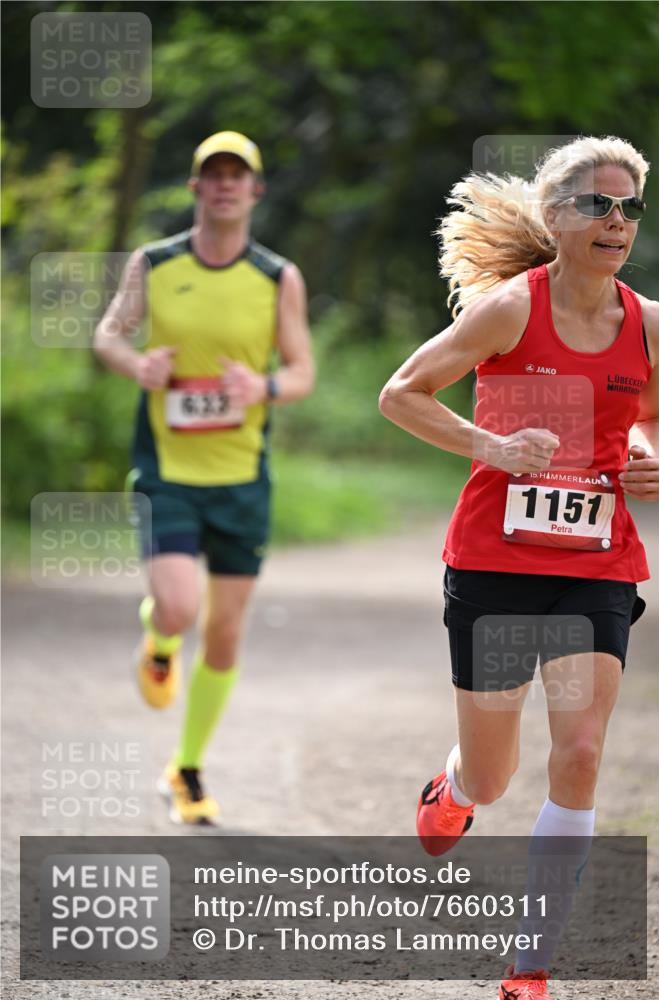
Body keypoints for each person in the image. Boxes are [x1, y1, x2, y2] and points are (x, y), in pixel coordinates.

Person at [379, 136, 659, 999]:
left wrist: (649, 453)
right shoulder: (508, 310)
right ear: (555, 215)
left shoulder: (651, 325)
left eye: (628, 207)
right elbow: (401, 394)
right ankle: (455, 788)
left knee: (578, 751)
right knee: (494, 774)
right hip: (494, 564)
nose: (616, 222)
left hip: (595, 564)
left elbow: (654, 414)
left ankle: (529, 962)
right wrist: (492, 446)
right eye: (596, 205)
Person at [95, 131, 315, 824]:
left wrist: (262, 387)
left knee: (223, 635)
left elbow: (302, 372)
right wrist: (138, 366)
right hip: (168, 471)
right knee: (178, 608)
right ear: (195, 187)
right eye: (212, 174)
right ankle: (159, 638)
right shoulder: (155, 263)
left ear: (255, 190)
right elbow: (108, 335)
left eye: (236, 175)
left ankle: (185, 769)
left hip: (242, 479)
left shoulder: (278, 277)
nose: (224, 185)